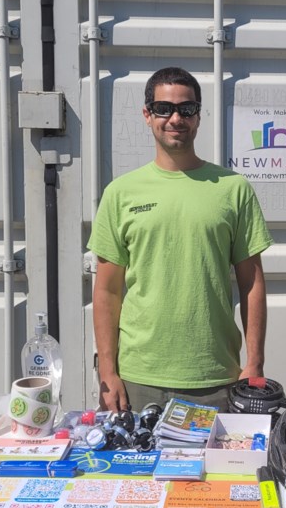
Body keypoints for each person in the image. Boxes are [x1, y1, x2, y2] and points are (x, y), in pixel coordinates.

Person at [89, 67, 273, 412]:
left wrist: (255, 363)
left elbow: (252, 284)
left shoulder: (233, 189)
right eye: (163, 109)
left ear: (198, 117)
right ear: (147, 115)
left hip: (216, 377)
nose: (175, 118)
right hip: (138, 378)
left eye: (186, 110)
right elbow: (107, 290)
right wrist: (108, 371)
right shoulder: (120, 193)